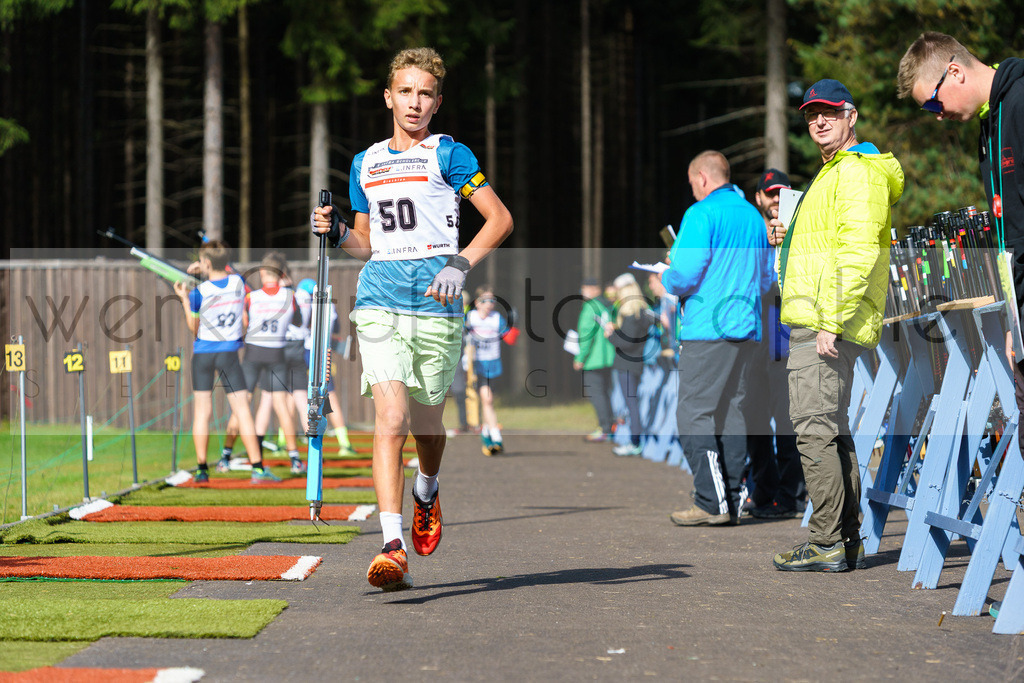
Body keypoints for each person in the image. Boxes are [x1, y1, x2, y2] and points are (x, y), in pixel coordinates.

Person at [312, 47, 513, 591]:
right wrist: (334, 232)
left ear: (437, 102)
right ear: (388, 97)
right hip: (378, 303)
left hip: (438, 307)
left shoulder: (451, 157)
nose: (415, 103)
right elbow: (365, 243)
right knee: (391, 419)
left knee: (427, 428)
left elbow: (499, 219)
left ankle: (427, 486)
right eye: (405, 91)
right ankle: (391, 544)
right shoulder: (365, 162)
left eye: (425, 94)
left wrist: (460, 262)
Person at [768, 79, 904, 571]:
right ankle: (846, 540)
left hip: (824, 322)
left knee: (812, 430)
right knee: (830, 429)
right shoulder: (834, 173)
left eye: (828, 112)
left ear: (851, 116)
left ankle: (826, 541)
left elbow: (858, 250)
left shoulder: (857, 172)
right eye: (810, 116)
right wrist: (789, 236)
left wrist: (830, 320)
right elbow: (832, 244)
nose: (818, 121)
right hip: (818, 318)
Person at [897, 33, 1024, 428]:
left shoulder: (1020, 103)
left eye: (934, 102)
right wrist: (1013, 322)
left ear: (955, 71)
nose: (936, 114)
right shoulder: (989, 122)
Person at [662, 150, 773, 527]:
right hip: (747, 327)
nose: (693, 189)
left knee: (693, 413)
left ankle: (710, 501)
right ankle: (730, 497)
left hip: (708, 328)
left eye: (693, 183)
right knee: (733, 413)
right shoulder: (753, 217)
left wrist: (664, 276)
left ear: (703, 179)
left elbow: (683, 275)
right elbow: (765, 279)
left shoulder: (701, 213)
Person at [172, 240, 275, 484]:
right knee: (242, 411)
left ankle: (201, 470)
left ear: (205, 262)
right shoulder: (238, 283)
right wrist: (207, 265)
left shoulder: (199, 293)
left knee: (202, 412)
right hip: (228, 353)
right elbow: (229, 273)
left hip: (203, 353)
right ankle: (258, 468)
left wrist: (185, 300)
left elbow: (193, 328)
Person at [743, 169, 804, 519]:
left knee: (787, 418)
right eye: (770, 194)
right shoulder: (751, 231)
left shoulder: (798, 229)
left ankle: (791, 495)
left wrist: (784, 243)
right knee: (753, 418)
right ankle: (764, 492)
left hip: (784, 335)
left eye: (782, 194)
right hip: (752, 335)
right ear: (759, 198)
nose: (777, 200)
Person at [218, 252, 299, 476]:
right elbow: (298, 321)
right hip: (277, 353)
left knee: (242, 404)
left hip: (253, 352)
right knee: (281, 405)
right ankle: (294, 459)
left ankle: (225, 456)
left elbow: (244, 321)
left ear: (262, 273)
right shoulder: (289, 296)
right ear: (282, 273)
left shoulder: (251, 297)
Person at [291, 277, 357, 457]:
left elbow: (299, 324)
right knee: (330, 396)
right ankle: (344, 443)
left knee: (294, 394)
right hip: (322, 351)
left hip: (303, 350)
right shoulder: (329, 305)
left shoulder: (300, 300)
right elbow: (335, 327)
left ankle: (286, 443)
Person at [604, 272, 650, 457]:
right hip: (635, 364)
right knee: (632, 404)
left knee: (631, 404)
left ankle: (635, 442)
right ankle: (635, 441)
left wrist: (611, 335)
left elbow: (627, 342)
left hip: (627, 365)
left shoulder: (631, 315)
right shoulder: (642, 313)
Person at [465, 285, 508, 455]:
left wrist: (513, 331)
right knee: (487, 398)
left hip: (493, 364)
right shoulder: (470, 317)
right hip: (476, 364)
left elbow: (508, 335)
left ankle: (487, 432)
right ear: (477, 303)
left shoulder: (496, 318)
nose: (489, 304)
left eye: (492, 300)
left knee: (486, 400)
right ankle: (496, 435)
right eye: (485, 300)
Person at [573, 278, 616, 442]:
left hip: (593, 359)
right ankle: (611, 426)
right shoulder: (608, 305)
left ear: (591, 289)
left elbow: (586, 334)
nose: (581, 292)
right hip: (609, 357)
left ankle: (605, 428)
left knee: (596, 394)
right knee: (606, 393)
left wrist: (580, 358)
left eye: (583, 289)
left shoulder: (590, 307)